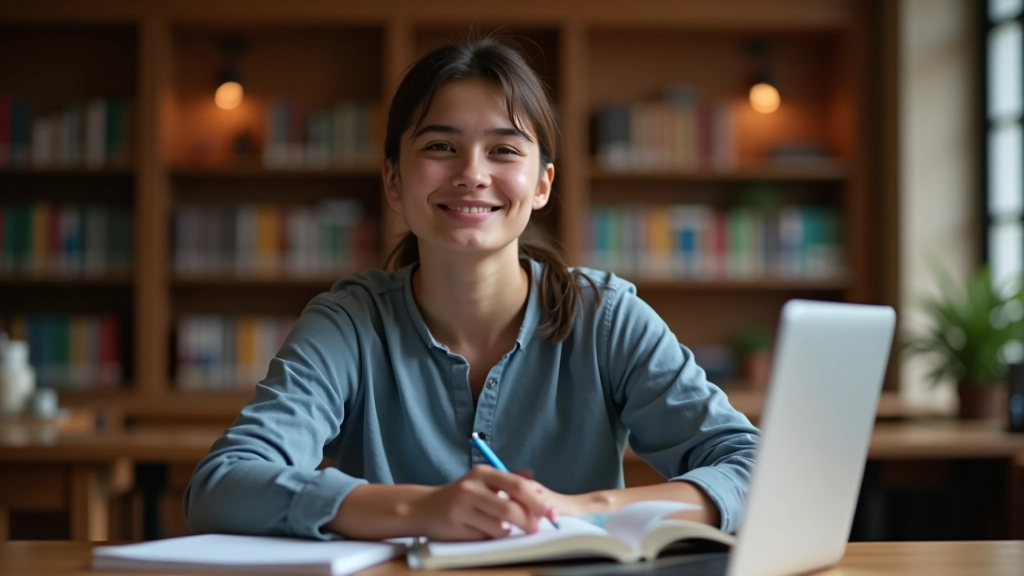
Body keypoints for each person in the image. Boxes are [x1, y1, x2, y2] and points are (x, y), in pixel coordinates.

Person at [184, 36, 759, 542]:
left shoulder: (607, 318)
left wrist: (586, 510)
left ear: (541, 184)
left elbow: (756, 466)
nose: (472, 173)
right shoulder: (349, 323)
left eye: (505, 149)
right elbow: (223, 484)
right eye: (440, 146)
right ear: (393, 179)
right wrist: (419, 508)